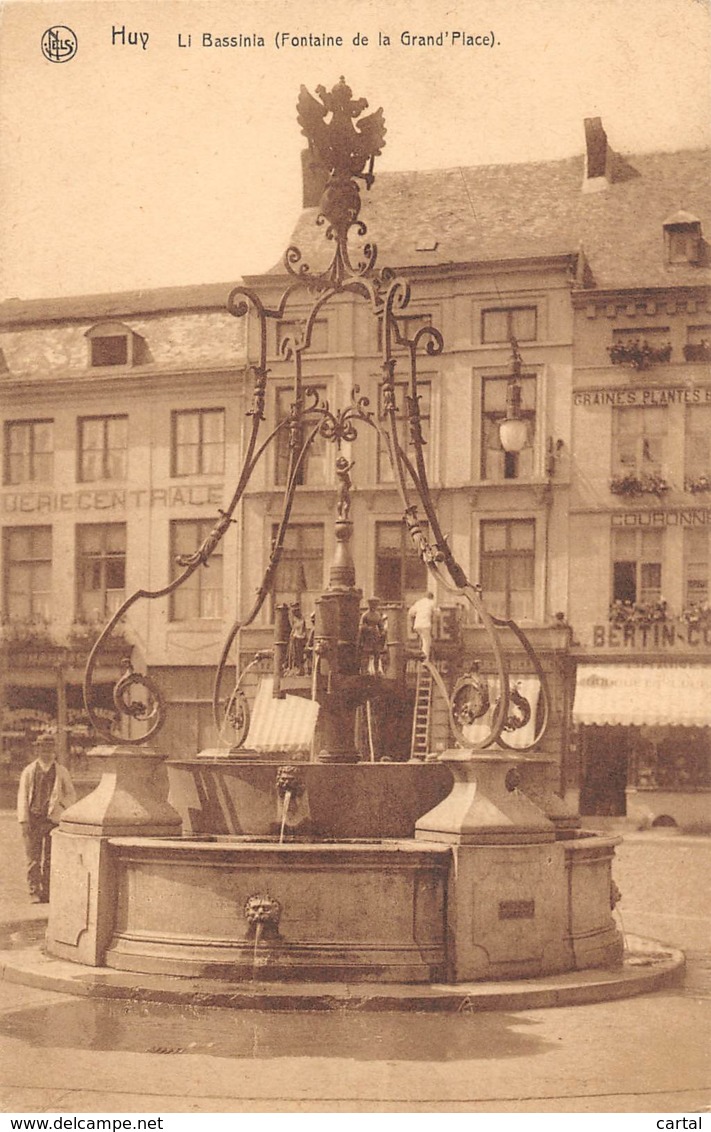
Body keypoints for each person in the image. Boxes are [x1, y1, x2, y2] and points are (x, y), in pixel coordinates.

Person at [17, 734, 76, 903]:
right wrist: (24, 820)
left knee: (51, 857)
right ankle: (34, 891)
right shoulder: (29, 771)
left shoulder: (61, 771)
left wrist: (61, 807)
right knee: (33, 859)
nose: (46, 750)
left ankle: (48, 890)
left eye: (49, 747)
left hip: (52, 821)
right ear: (37, 749)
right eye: (43, 747)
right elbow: (22, 796)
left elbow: (71, 794)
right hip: (33, 819)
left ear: (54, 750)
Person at [358, 597, 387, 674]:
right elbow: (361, 626)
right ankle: (364, 670)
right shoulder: (365, 615)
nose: (374, 606)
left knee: (377, 654)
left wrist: (382, 632)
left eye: (375, 604)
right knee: (366, 654)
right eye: (372, 604)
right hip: (367, 637)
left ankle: (376, 670)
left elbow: (381, 625)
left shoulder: (377, 615)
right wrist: (367, 628)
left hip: (375, 636)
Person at [408, 591, 437, 660]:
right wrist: (433, 619)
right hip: (426, 624)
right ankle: (425, 658)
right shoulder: (432, 602)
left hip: (417, 624)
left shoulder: (419, 602)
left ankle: (420, 653)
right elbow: (437, 612)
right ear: (431, 597)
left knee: (422, 639)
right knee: (427, 641)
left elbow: (410, 612)